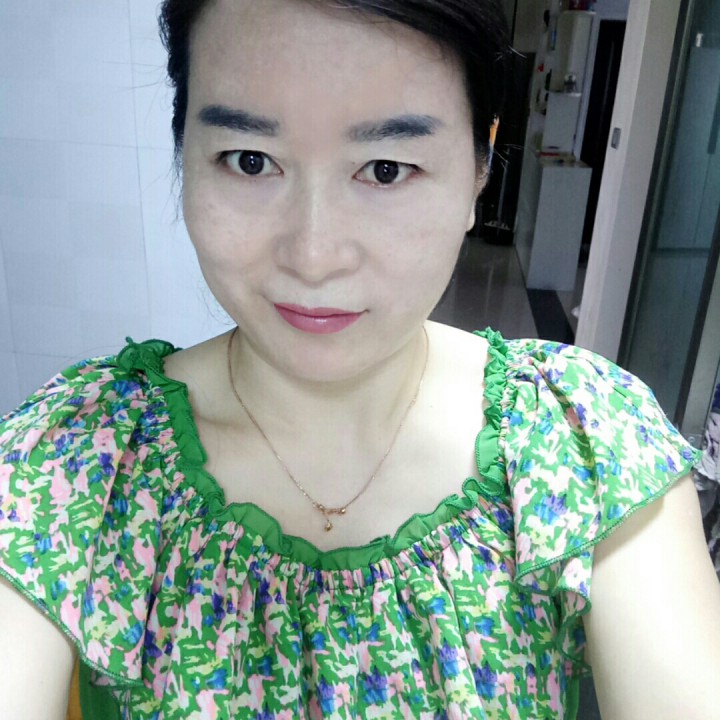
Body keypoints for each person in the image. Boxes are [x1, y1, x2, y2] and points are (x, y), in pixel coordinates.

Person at [1, 1, 719, 718]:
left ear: (480, 167)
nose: (314, 256)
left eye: (386, 168)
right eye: (250, 161)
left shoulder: (582, 439)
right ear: (184, 148)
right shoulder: (78, 459)